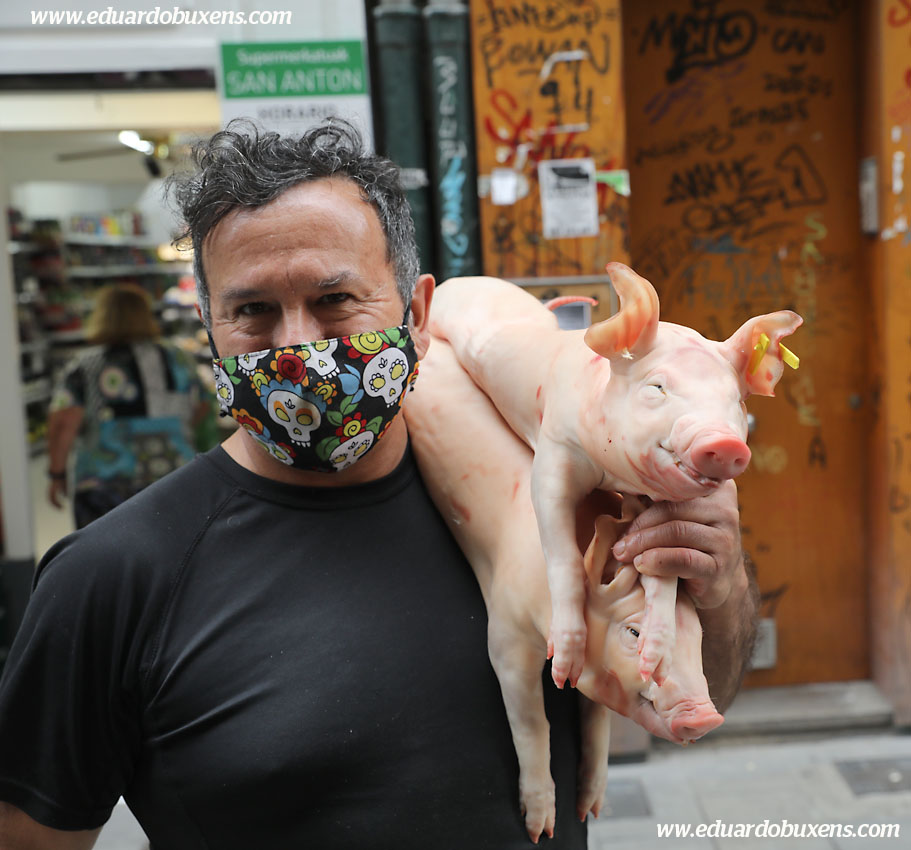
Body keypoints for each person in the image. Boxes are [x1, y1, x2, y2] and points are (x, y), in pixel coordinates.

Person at [0, 120, 758, 849]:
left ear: (418, 314)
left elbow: (697, 696)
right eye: (252, 311)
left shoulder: (558, 500)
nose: (297, 346)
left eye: (334, 300)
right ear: (208, 327)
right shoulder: (111, 578)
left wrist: (718, 585)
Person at [45, 282, 211, 528]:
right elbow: (202, 405)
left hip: (106, 482)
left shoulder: (86, 365)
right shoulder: (178, 358)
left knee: (104, 550)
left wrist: (57, 474)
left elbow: (64, 422)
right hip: (174, 476)